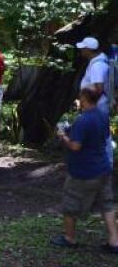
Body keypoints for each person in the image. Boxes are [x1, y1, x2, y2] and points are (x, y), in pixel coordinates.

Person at [50, 88, 118, 253]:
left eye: (80, 96)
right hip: (103, 168)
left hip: (84, 172)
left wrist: (62, 136)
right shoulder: (102, 115)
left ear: (85, 98)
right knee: (107, 204)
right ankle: (114, 242)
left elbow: (75, 145)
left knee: (70, 205)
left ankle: (69, 238)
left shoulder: (83, 120)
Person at [77, 36, 115, 169]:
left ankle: (106, 164)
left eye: (83, 48)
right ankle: (101, 163)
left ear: (89, 49)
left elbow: (98, 88)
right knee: (100, 133)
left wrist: (88, 104)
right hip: (97, 105)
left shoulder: (97, 66)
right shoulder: (98, 62)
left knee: (102, 135)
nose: (81, 50)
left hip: (97, 105)